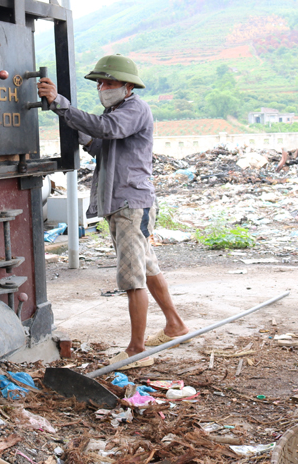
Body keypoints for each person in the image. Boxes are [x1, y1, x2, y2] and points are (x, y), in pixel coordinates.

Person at [37, 55, 189, 369]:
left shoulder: (133, 109)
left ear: (128, 86)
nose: (102, 88)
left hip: (131, 204)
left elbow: (107, 130)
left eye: (108, 82)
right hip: (122, 204)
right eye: (100, 83)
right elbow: (99, 144)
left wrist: (62, 104)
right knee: (147, 267)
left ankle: (136, 349)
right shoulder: (115, 112)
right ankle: (175, 325)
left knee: (132, 277)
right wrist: (71, 122)